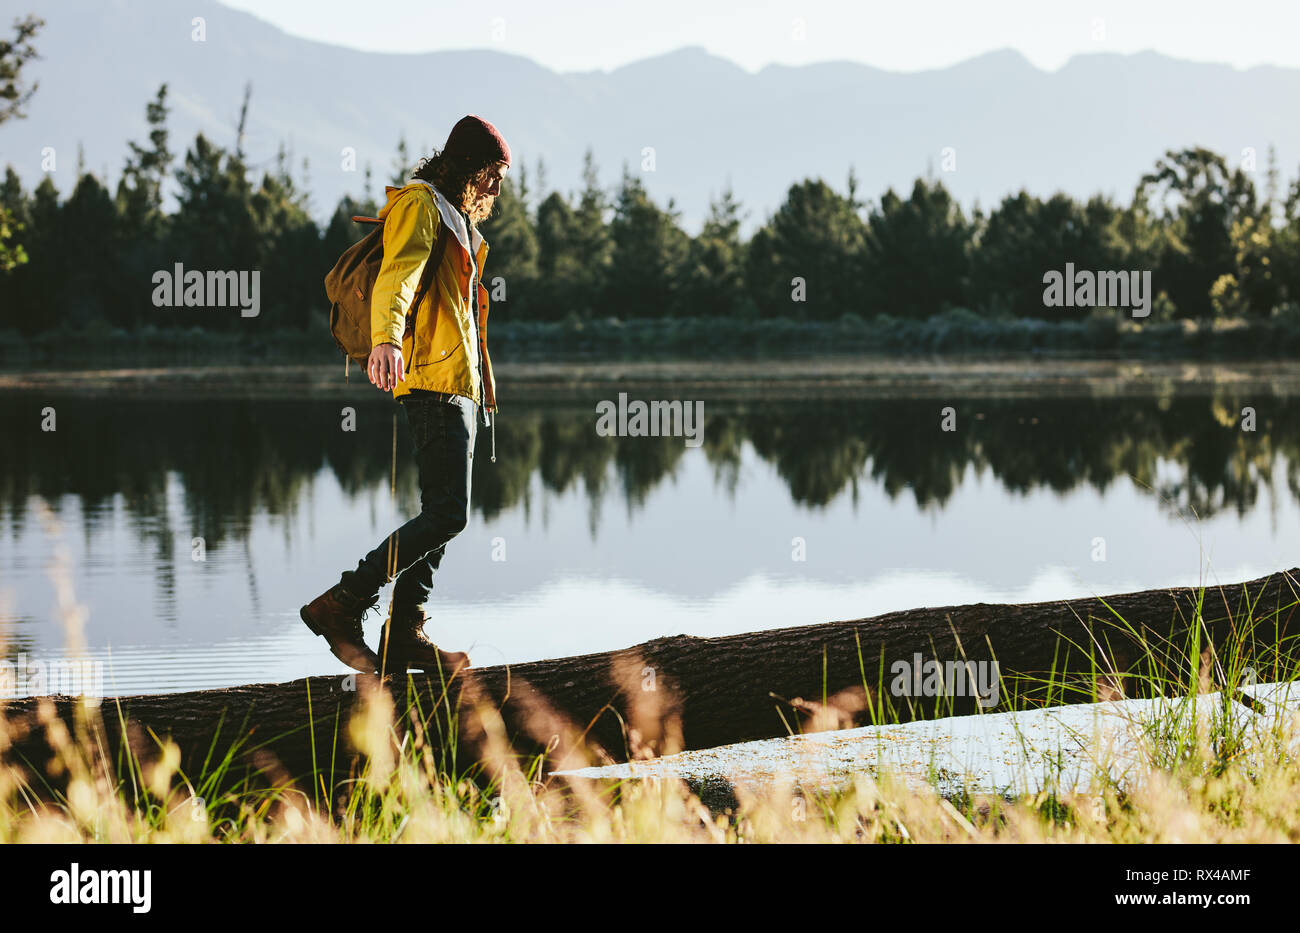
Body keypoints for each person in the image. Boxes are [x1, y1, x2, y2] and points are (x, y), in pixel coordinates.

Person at [300, 114, 509, 677]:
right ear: (466, 165)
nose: (496, 187)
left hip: (457, 384)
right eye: (492, 173)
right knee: (448, 513)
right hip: (431, 383)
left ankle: (405, 632)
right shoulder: (423, 205)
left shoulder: (458, 219)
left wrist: (481, 380)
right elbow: (400, 275)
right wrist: (386, 339)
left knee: (442, 513)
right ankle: (344, 603)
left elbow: (459, 313)